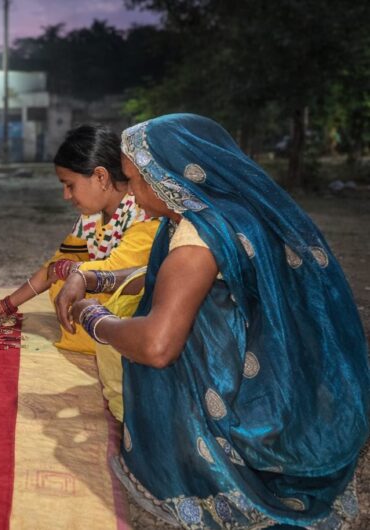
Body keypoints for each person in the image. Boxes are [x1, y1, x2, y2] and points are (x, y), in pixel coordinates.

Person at [56, 114, 369, 528]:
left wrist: (94, 317)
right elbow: (163, 280)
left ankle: (210, 472)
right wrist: (91, 275)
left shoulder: (197, 235)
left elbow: (157, 346)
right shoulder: (230, 213)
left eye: (135, 180)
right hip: (285, 385)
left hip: (244, 406)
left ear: (168, 177)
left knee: (138, 331)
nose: (130, 192)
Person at [0, 125, 159, 358]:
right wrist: (6, 306)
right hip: (96, 304)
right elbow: (55, 264)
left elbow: (117, 272)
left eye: (70, 185)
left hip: (127, 315)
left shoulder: (143, 212)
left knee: (73, 286)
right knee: (63, 284)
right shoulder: (91, 217)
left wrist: (70, 271)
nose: (66, 196)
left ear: (101, 176)